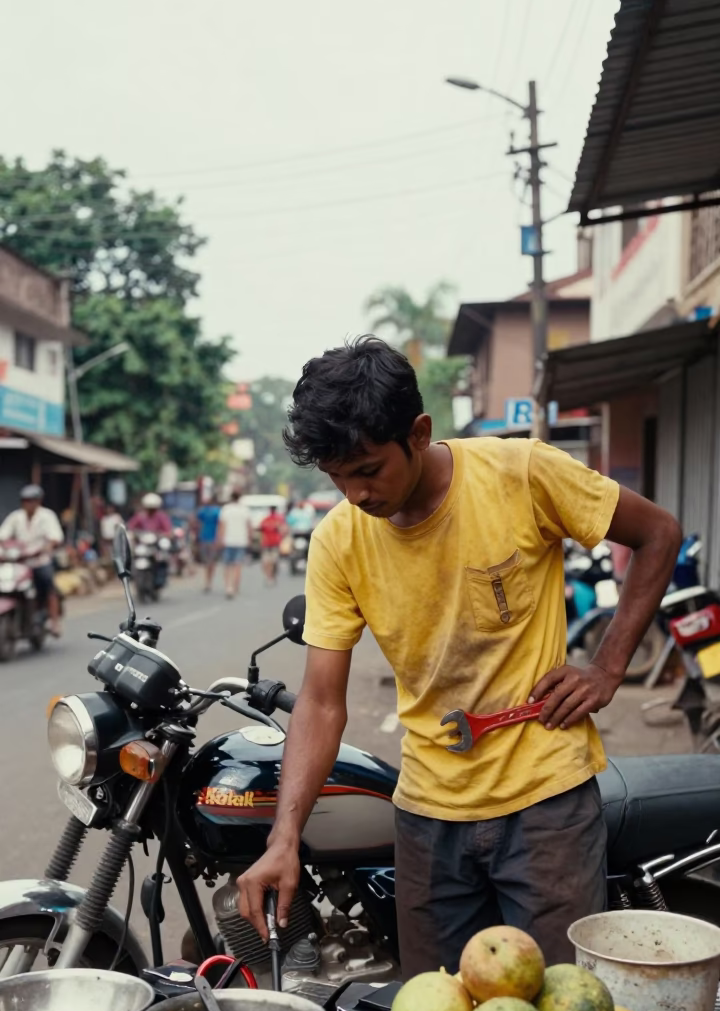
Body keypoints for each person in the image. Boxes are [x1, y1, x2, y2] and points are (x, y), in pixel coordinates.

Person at [237, 336, 682, 976]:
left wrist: (608, 668)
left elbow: (657, 533)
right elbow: (322, 701)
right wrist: (284, 838)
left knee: (557, 1007)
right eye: (338, 478)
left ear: (418, 434)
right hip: (426, 815)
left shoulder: (521, 473)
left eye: (368, 471)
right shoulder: (338, 541)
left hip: (547, 803)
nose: (355, 495)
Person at [0, 485, 65, 636]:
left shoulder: (47, 516)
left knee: (48, 585)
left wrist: (48, 546)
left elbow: (55, 537)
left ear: (38, 501)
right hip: (19, 563)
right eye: (25, 500)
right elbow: (3, 535)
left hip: (40, 561)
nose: (28, 503)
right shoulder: (16, 517)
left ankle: (54, 622)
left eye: (31, 500)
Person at [217, 490, 251, 599]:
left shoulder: (226, 509)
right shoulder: (244, 510)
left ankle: (228, 587)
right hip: (241, 541)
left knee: (227, 566)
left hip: (228, 541)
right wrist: (249, 538)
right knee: (237, 565)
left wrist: (220, 539)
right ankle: (236, 587)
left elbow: (222, 525)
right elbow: (248, 526)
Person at [196, 496, 222, 593]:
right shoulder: (204, 511)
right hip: (206, 539)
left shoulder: (215, 511)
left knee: (210, 562)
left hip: (211, 539)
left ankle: (208, 582)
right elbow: (197, 523)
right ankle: (208, 581)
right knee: (208, 562)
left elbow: (220, 525)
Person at [259, 505, 285, 585]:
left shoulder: (278, 519)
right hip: (267, 544)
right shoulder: (267, 520)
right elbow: (261, 530)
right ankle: (269, 577)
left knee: (273, 561)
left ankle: (271, 576)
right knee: (267, 561)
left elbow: (283, 530)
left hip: (274, 544)